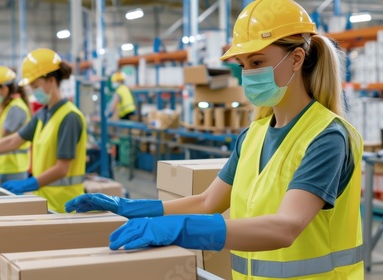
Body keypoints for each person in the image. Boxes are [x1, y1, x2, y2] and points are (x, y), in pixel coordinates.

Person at [64, 0, 363, 279]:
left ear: (297, 58)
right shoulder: (253, 135)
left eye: (257, 62)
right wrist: (129, 207)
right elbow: (207, 201)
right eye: (243, 64)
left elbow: (285, 228)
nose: (247, 74)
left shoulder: (326, 136)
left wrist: (183, 228)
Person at [0, 48, 87, 213]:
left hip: (66, 205)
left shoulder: (69, 117)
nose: (33, 90)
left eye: (35, 85)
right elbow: (14, 140)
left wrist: (28, 184)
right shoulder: (43, 114)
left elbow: (62, 168)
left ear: (51, 80)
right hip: (46, 201)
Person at [0, 66, 31, 183]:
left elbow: (5, 137)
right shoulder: (11, 107)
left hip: (13, 166)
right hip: (8, 166)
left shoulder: (15, 108)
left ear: (4, 89)